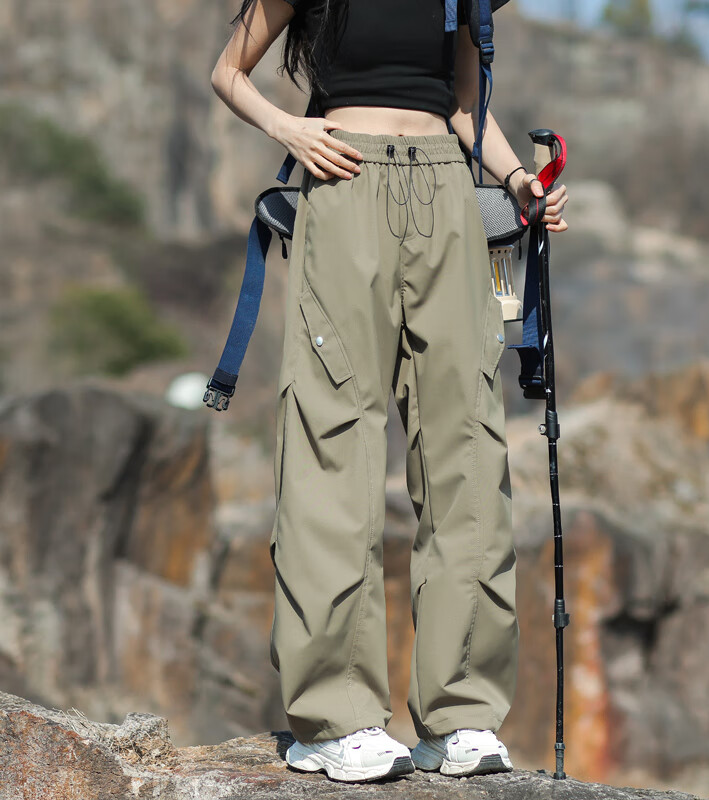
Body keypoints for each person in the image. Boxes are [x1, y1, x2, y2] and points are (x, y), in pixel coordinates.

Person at [211, 0, 568, 784]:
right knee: (332, 444)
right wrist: (290, 130)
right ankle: (335, 716)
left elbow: (468, 109)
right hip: (345, 181)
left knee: (467, 452)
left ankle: (460, 717)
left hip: (448, 190)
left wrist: (517, 180)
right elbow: (227, 72)